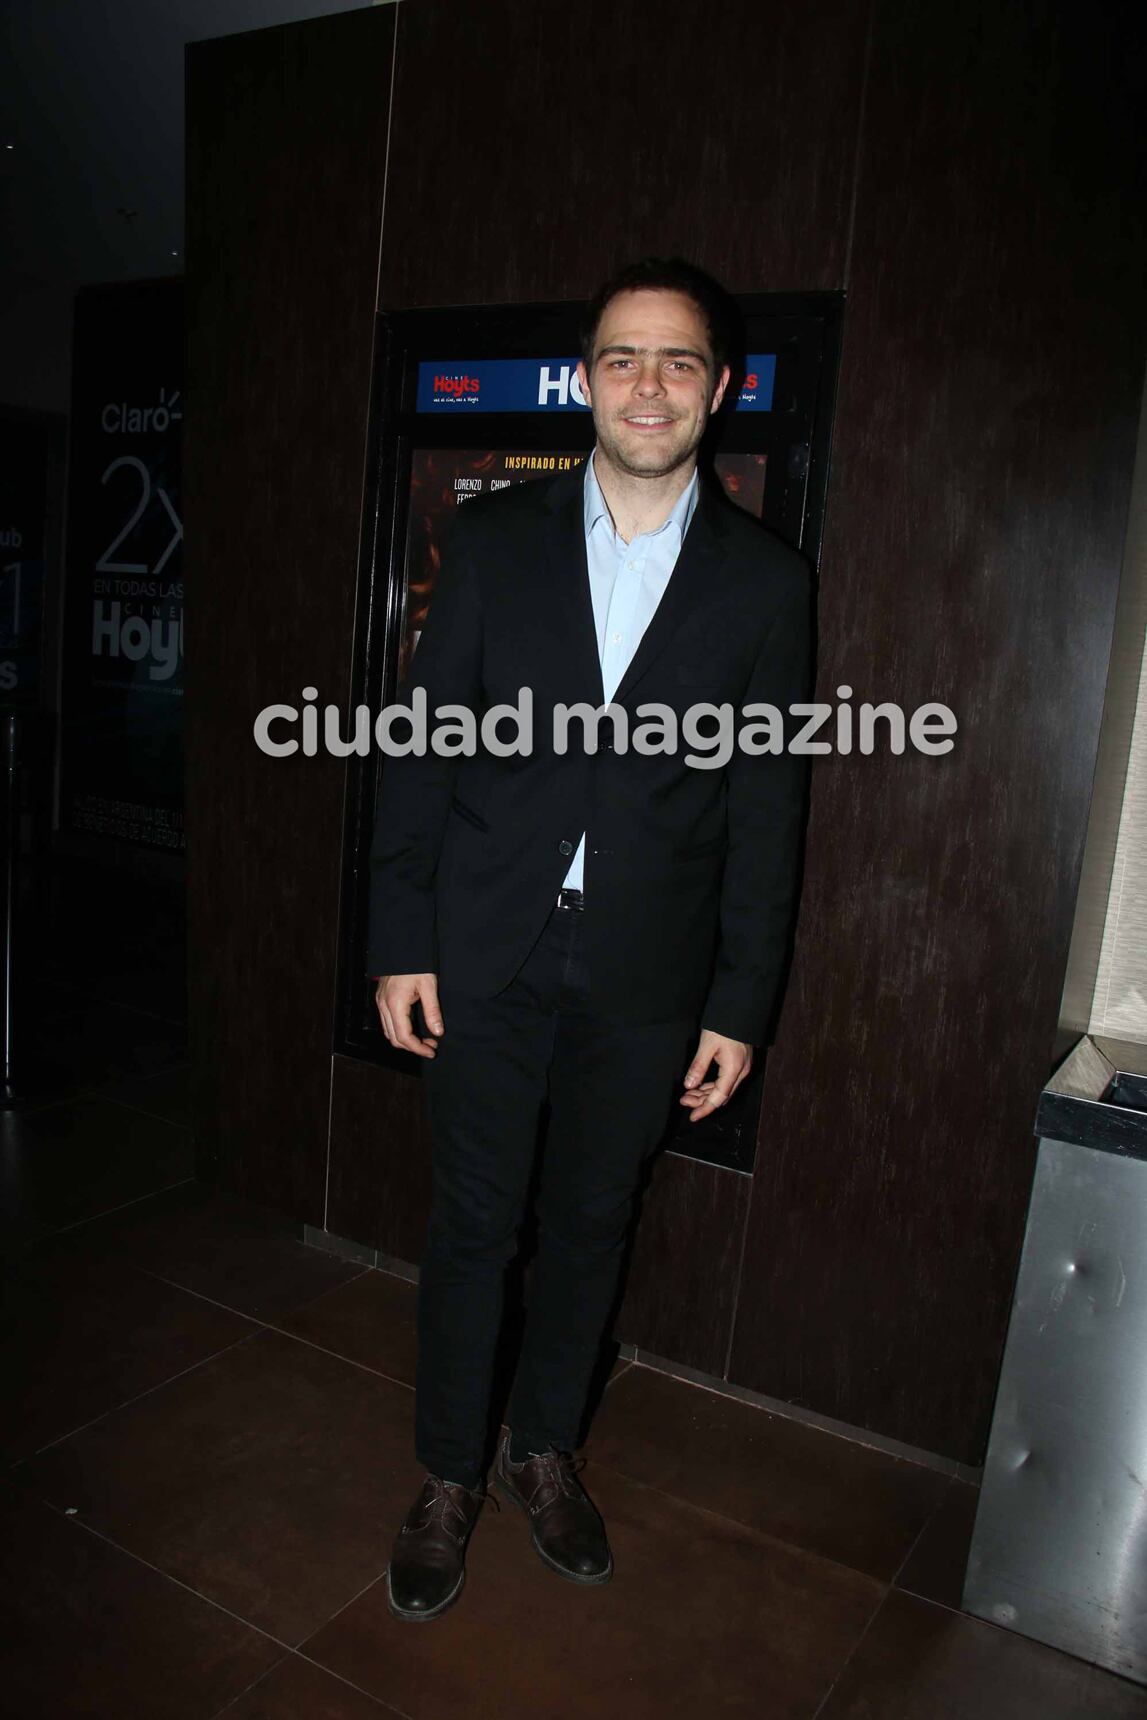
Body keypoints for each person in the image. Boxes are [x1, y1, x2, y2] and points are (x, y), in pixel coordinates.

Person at [368, 257, 812, 1621]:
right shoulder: (496, 538)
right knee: (475, 1224)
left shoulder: (766, 582)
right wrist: (400, 937)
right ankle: (448, 1470)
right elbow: (425, 749)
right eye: (624, 358)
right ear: (586, 380)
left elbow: (767, 805)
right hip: (486, 949)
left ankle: (540, 1451)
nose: (650, 384)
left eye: (680, 361)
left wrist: (741, 1003)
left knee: (591, 1226)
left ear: (718, 390)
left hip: (645, 972)